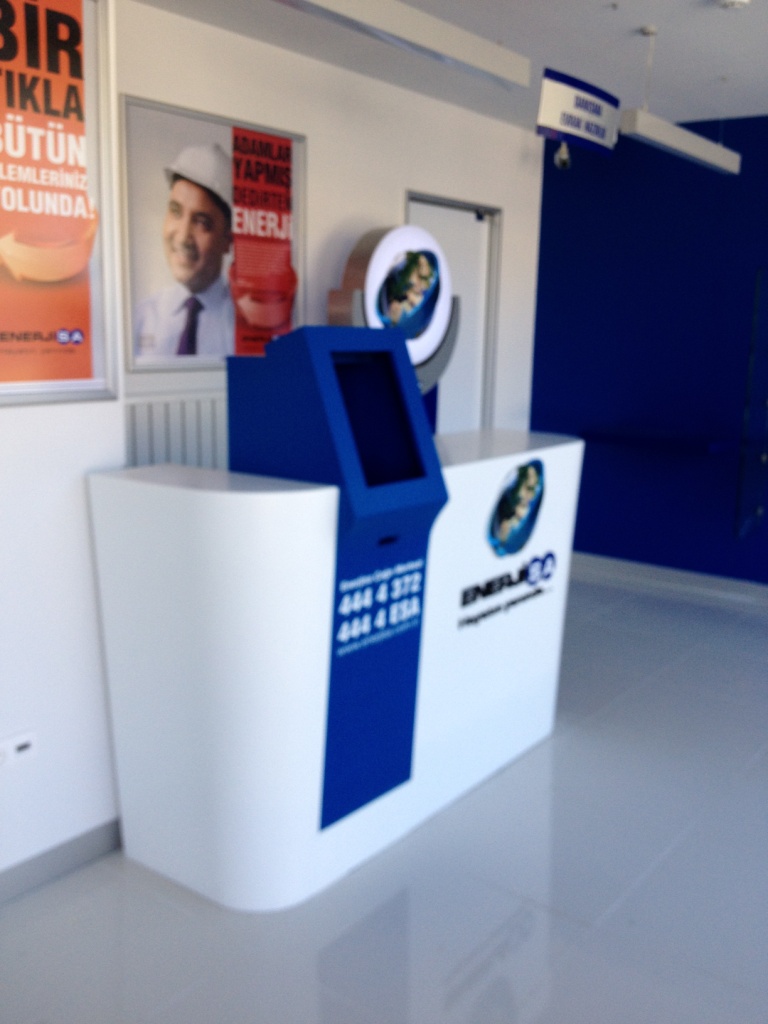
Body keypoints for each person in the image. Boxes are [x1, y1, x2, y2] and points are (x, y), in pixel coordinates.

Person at [134, 143, 235, 362]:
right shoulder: (139, 320)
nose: (181, 237)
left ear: (228, 239)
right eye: (175, 211)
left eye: (201, 222)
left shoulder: (245, 329)